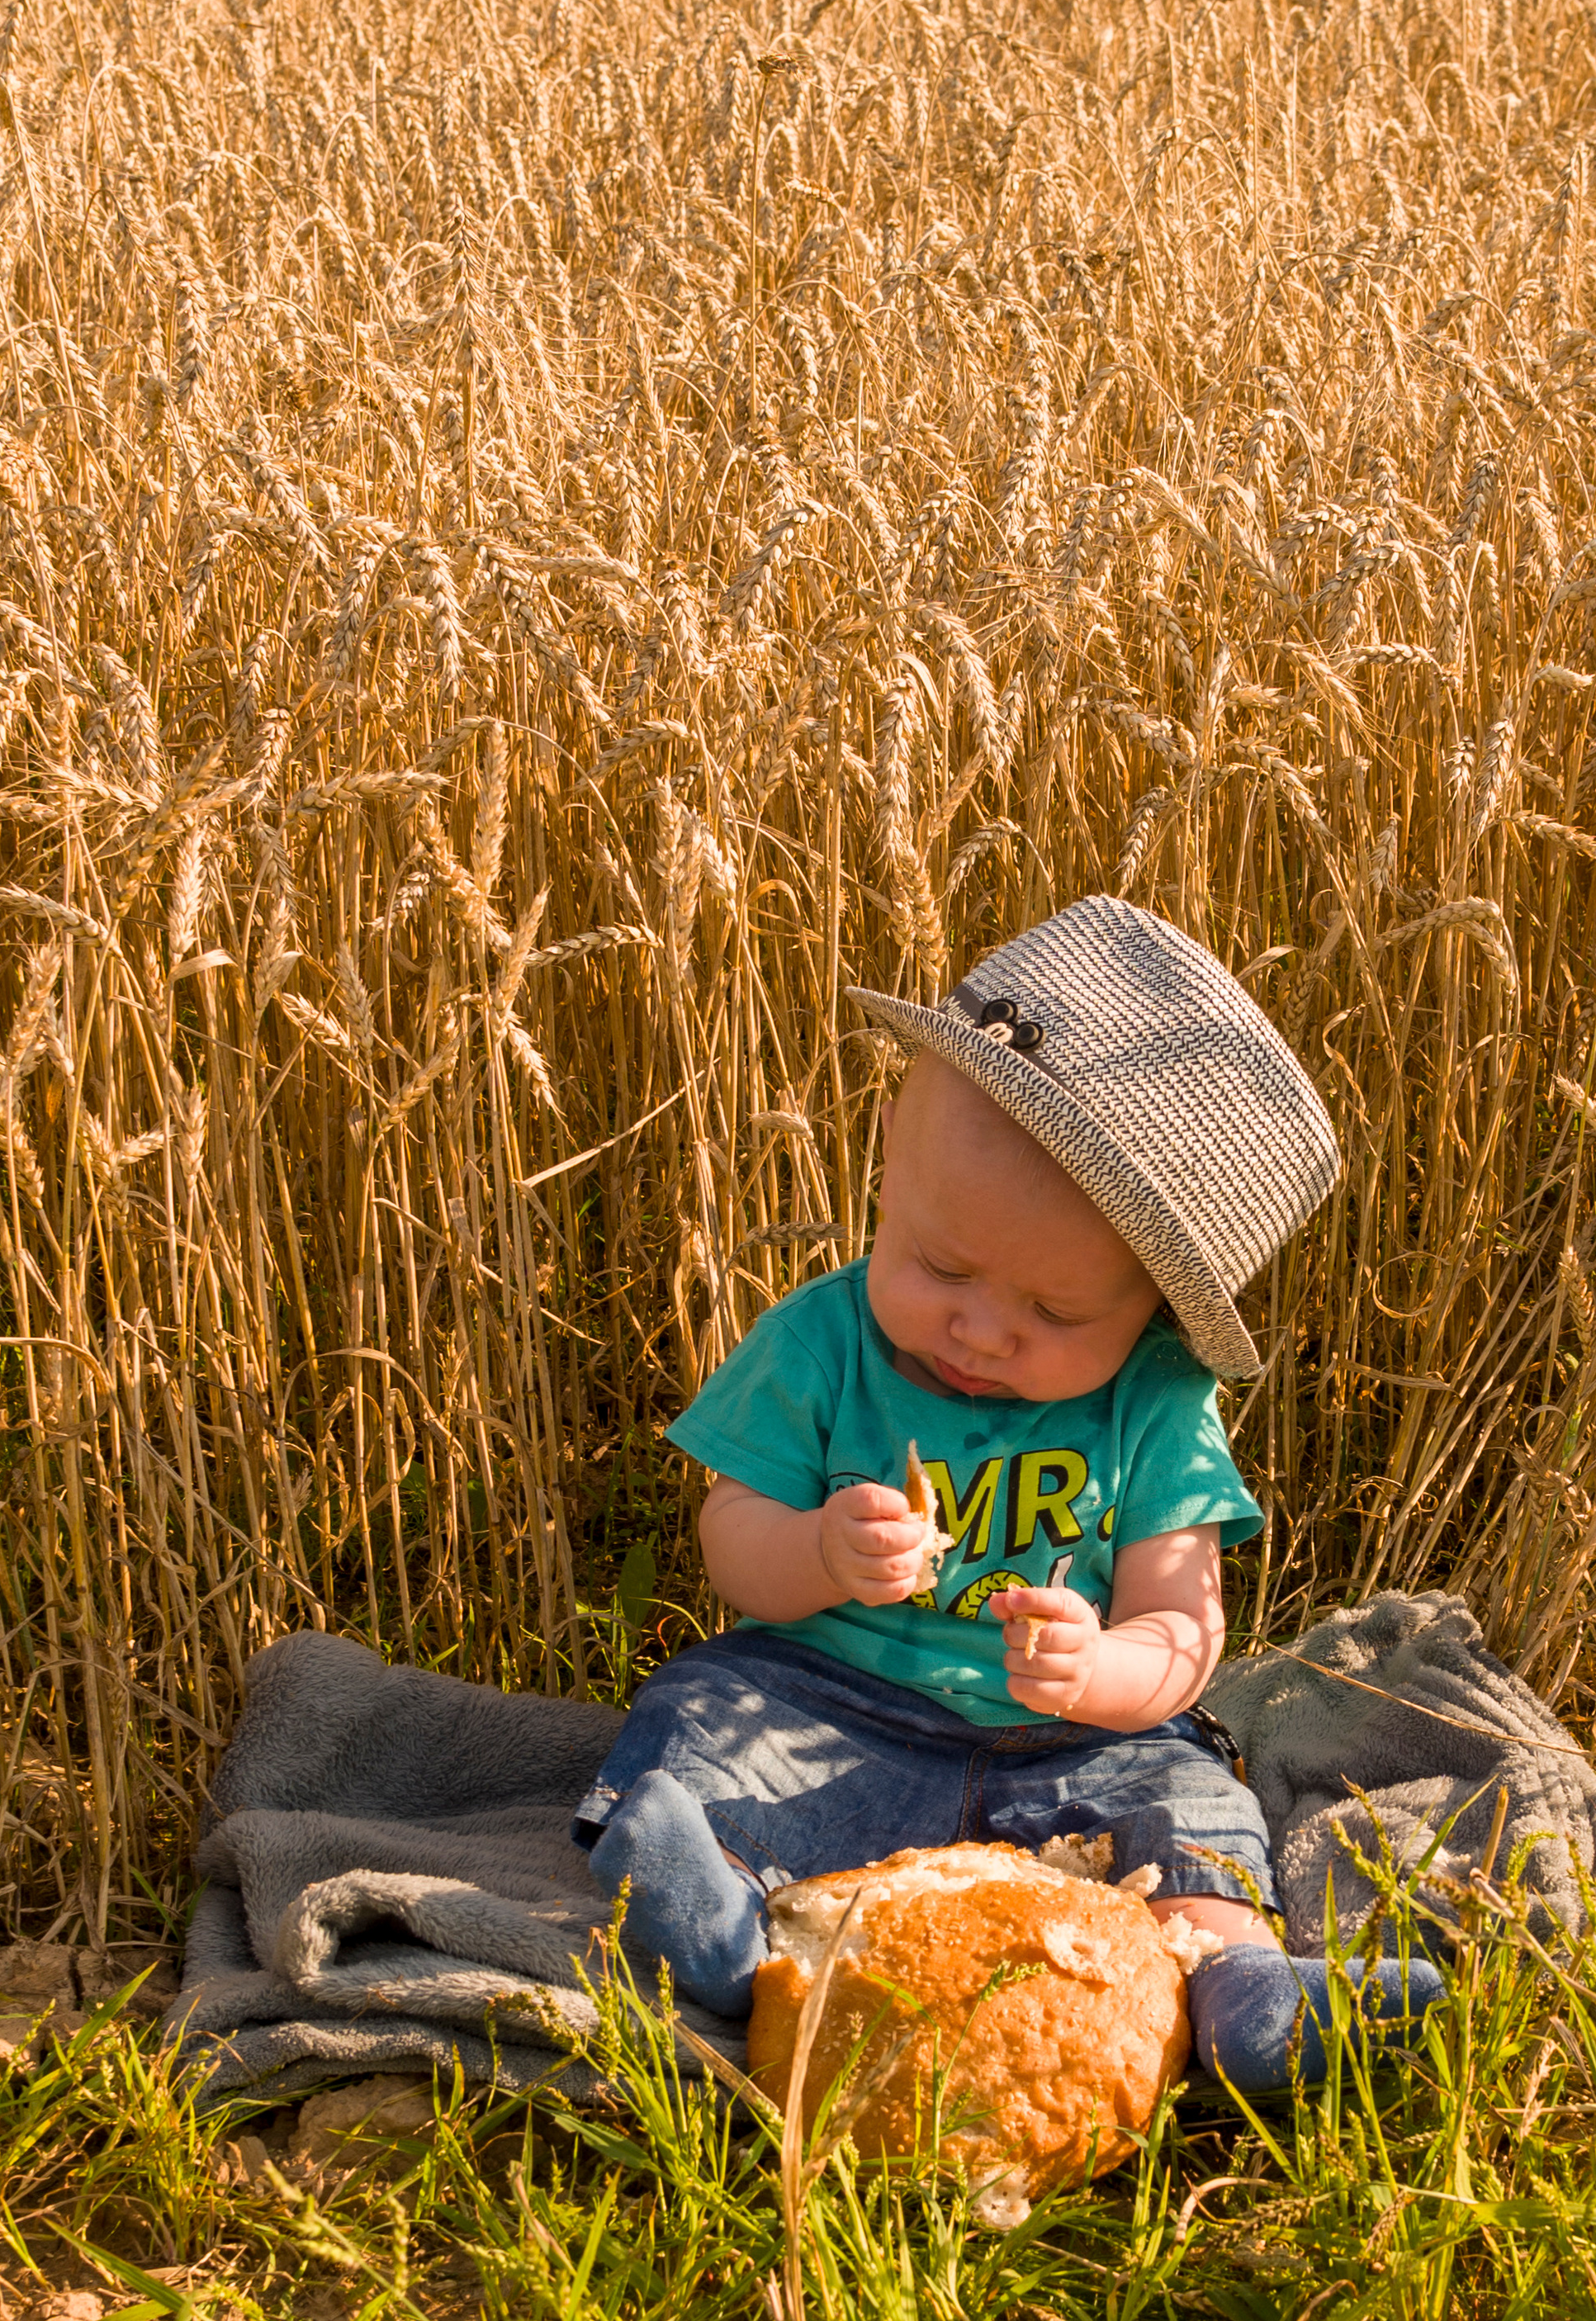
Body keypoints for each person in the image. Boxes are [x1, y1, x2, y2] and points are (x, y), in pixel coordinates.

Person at [573, 895, 1446, 2091]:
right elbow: (731, 1541)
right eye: (940, 1265)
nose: (980, 1331)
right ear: (888, 1159)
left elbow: (1185, 1634)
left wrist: (1101, 1673)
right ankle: (720, 1932)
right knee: (704, 1709)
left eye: (1056, 1314)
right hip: (834, 1702)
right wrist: (821, 1553)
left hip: (1071, 1749)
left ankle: (1245, 1990)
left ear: (1155, 1311)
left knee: (1192, 1800)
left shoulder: (1156, 1401)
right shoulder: (821, 1341)